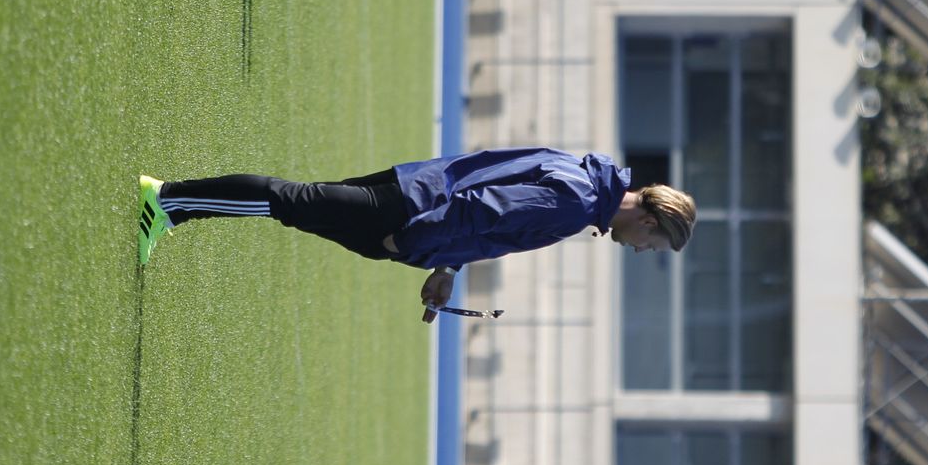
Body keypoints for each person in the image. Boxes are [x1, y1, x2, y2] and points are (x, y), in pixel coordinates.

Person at [137, 148, 696, 312]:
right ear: (647, 220)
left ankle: (177, 206)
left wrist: (445, 267)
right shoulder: (576, 204)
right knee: (292, 201)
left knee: (294, 204)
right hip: (409, 213)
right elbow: (482, 210)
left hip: (416, 189)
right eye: (653, 243)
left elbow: (487, 209)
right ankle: (167, 200)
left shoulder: (583, 180)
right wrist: (411, 241)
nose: (643, 249)